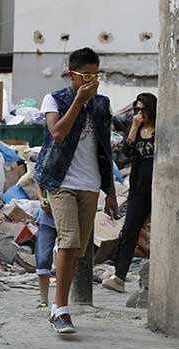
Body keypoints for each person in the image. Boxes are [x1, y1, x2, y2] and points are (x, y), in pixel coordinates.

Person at [34, 47, 118, 334]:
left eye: (96, 75)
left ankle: (59, 306)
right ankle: (60, 309)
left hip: (90, 184)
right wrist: (79, 101)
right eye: (86, 75)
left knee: (76, 250)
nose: (92, 81)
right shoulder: (55, 99)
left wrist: (111, 191)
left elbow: (105, 149)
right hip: (60, 181)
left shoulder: (102, 103)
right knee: (69, 242)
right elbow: (57, 133)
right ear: (72, 74)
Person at [103, 93, 157, 293]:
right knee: (130, 230)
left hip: (159, 187)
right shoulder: (136, 129)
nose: (140, 113)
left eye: (143, 109)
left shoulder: (162, 129)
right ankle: (119, 276)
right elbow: (124, 155)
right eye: (137, 110)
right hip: (139, 187)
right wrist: (134, 128)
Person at [34, 185, 57, 308]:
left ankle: (61, 301)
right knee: (42, 259)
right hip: (47, 217)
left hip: (68, 217)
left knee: (69, 258)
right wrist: (41, 198)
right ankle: (44, 300)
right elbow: (39, 180)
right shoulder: (48, 166)